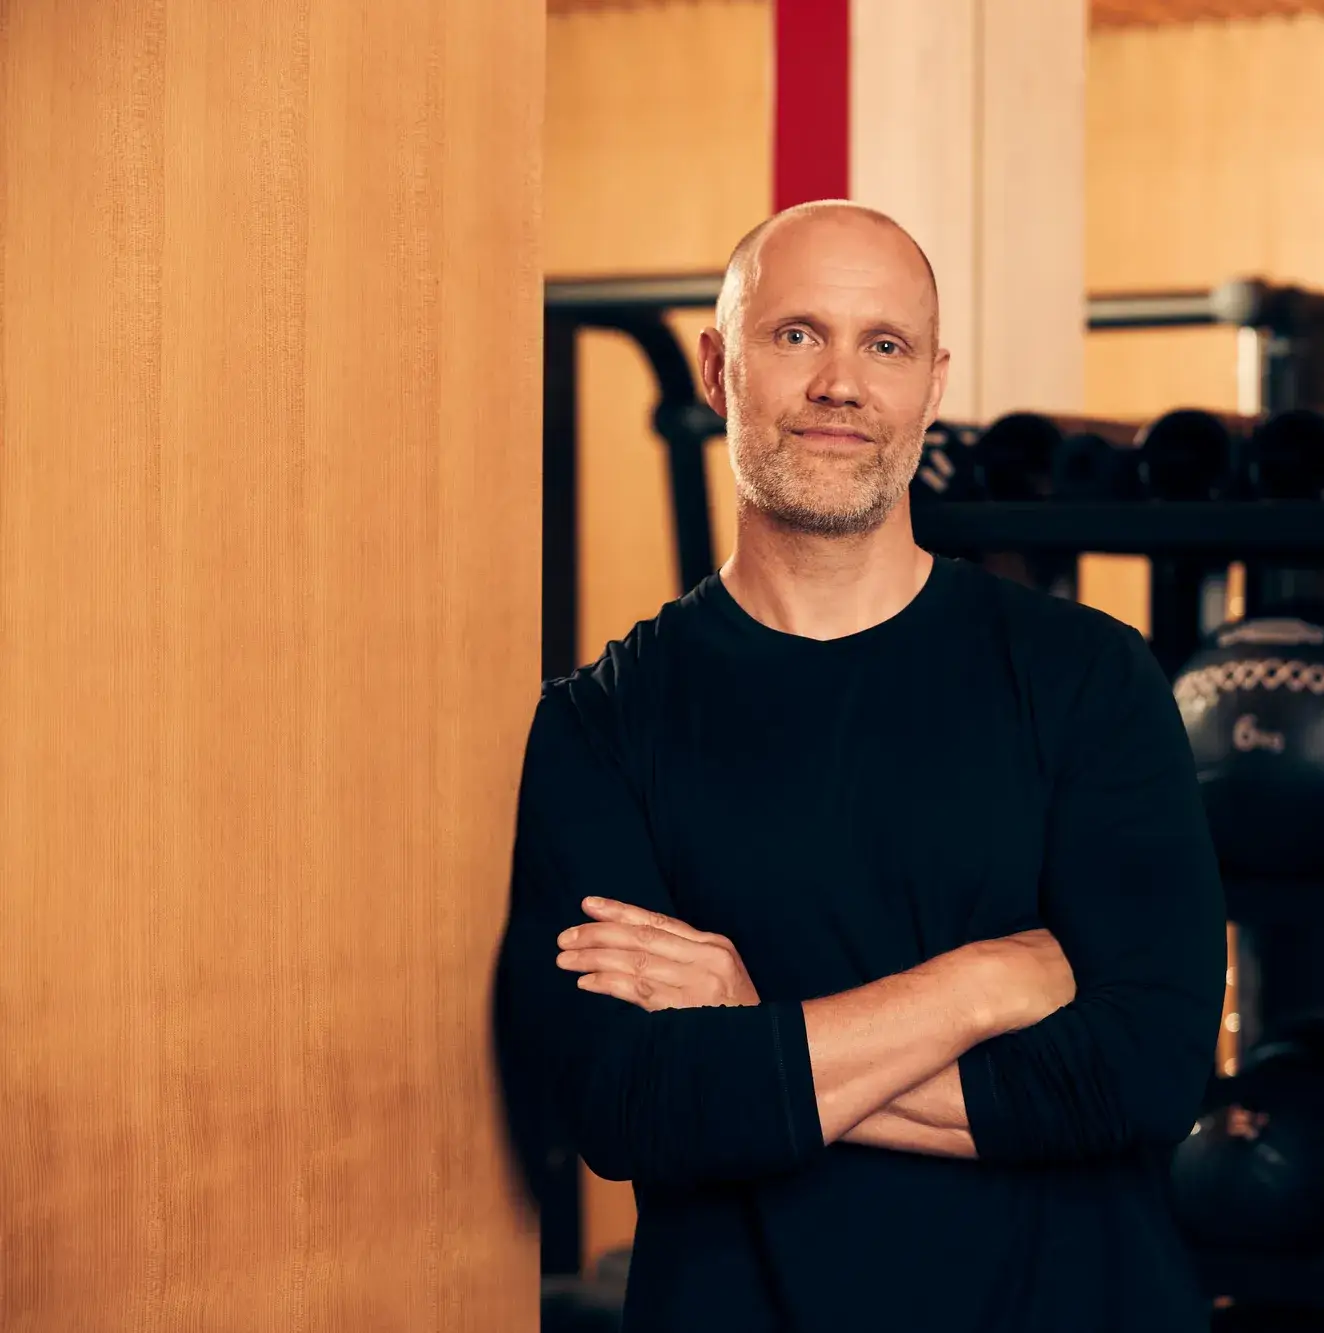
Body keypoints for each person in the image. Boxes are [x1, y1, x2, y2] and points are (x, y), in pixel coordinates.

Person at [498, 200, 1227, 1333]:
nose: (840, 383)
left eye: (882, 345)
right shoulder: (601, 723)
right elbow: (625, 1101)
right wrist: (974, 986)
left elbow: (1141, 1072)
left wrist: (753, 1029)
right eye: (796, 335)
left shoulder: (1087, 679)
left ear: (930, 387)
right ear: (715, 365)